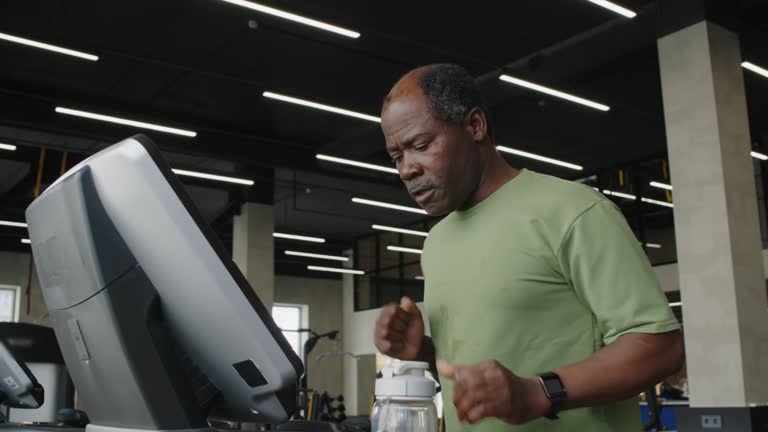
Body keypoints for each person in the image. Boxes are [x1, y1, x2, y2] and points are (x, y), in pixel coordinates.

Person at [373, 64, 684, 431]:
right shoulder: (437, 243)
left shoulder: (573, 211)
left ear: (475, 126)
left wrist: (538, 391)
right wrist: (421, 353)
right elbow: (473, 372)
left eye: (421, 146)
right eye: (397, 156)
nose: (407, 169)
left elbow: (660, 348)